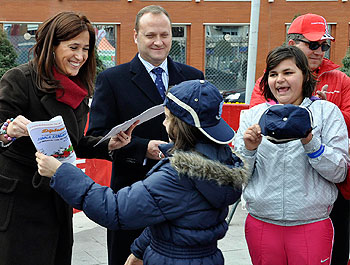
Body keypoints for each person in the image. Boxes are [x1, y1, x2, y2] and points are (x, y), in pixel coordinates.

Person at [36, 79, 247, 265]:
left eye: (167, 117)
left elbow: (116, 210)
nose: (164, 123)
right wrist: (140, 250)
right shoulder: (223, 160)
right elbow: (170, 215)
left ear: (180, 125)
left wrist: (62, 173)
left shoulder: (177, 175)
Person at [0, 11, 136, 265]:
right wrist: (8, 129)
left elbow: (71, 144)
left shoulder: (77, 89)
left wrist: (108, 144)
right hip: (20, 202)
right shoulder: (20, 79)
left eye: (85, 48)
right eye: (73, 47)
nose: (80, 56)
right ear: (51, 46)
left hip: (58, 198)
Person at [86, 5, 204, 265]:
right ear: (135, 36)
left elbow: (203, 131)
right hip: (131, 197)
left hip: (183, 198)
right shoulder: (112, 80)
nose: (158, 42)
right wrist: (142, 148)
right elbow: (97, 136)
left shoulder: (193, 78)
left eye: (165, 34)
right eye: (151, 35)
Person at [249, 13, 350, 264]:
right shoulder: (267, 82)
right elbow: (264, 124)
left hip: (329, 195)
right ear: (293, 44)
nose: (320, 51)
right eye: (313, 44)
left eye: (324, 45)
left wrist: (321, 113)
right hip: (270, 206)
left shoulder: (340, 80)